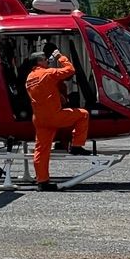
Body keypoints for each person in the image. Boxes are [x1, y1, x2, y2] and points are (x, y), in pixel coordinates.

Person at [25, 45, 90, 192]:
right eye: (45, 59)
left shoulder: (30, 78)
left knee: (41, 150)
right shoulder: (47, 74)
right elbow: (70, 70)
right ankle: (76, 146)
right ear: (39, 62)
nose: (47, 61)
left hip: (40, 119)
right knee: (83, 114)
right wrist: (60, 56)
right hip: (54, 116)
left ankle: (42, 181)